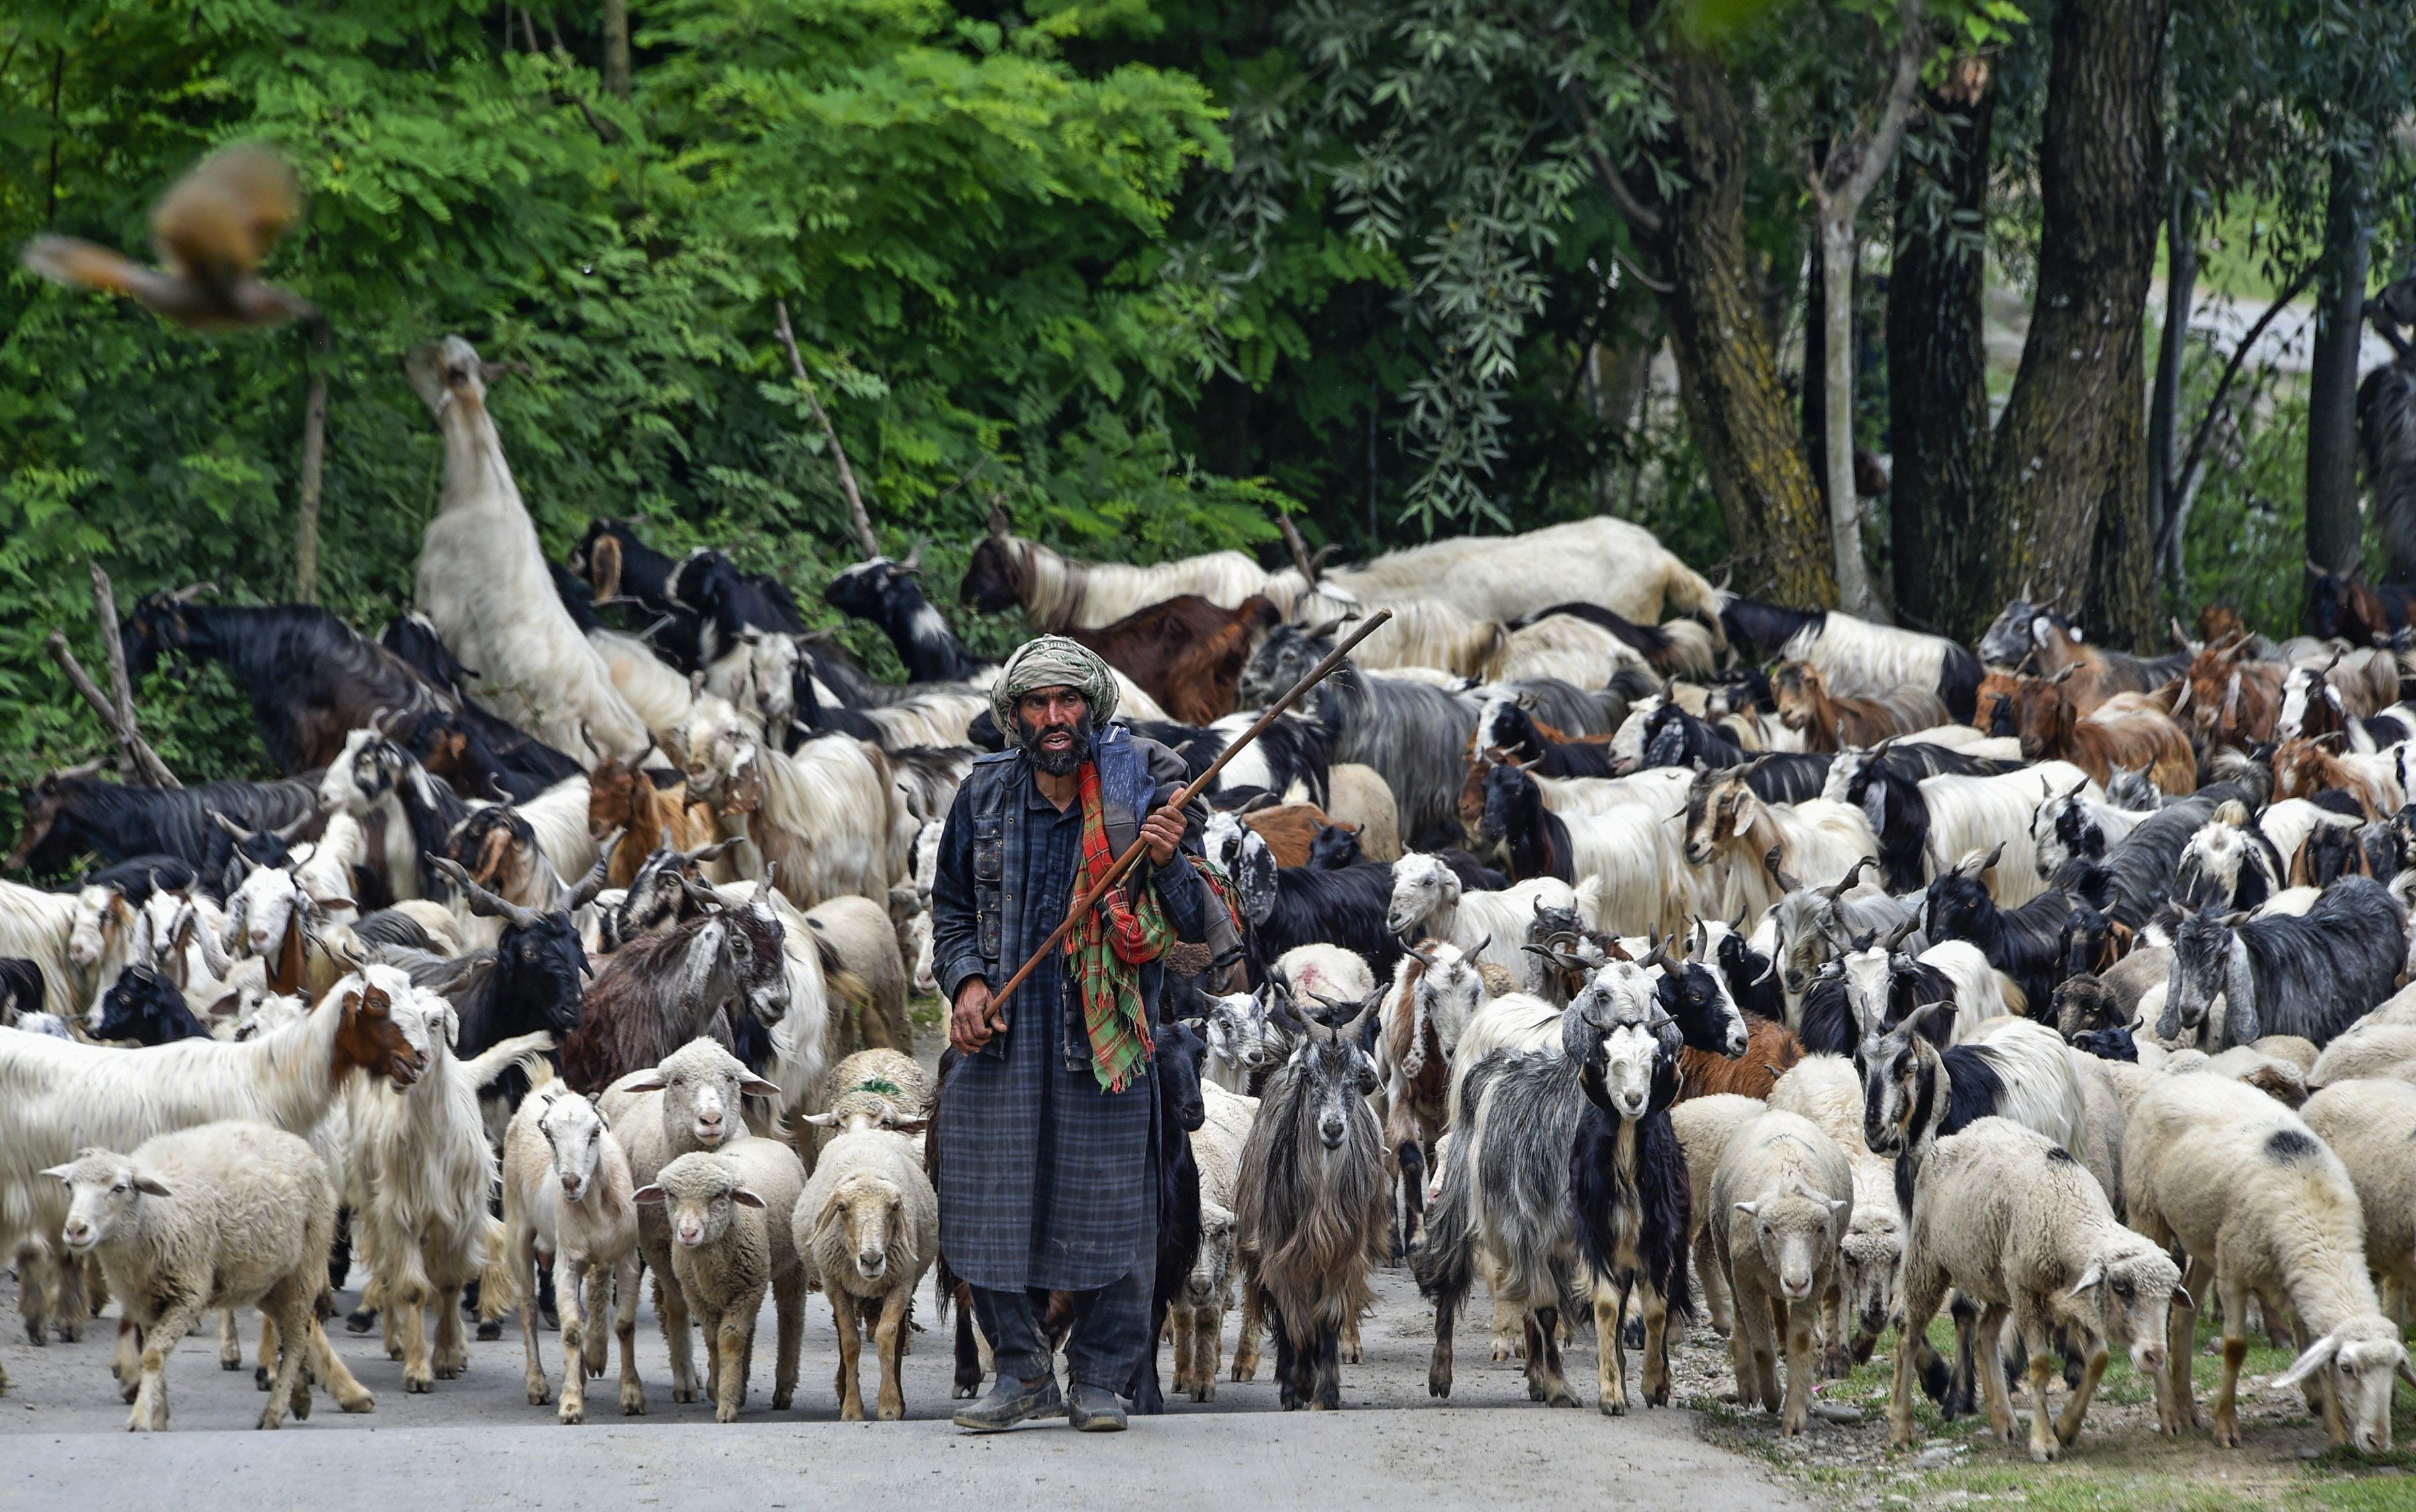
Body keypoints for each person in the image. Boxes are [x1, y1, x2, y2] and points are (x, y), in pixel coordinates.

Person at [931, 637, 1217, 1432]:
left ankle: (1097, 1379)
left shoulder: (1140, 791)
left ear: (1091, 708)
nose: (1055, 718)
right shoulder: (982, 797)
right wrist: (968, 983)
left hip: (1109, 1036)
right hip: (1004, 1038)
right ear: (1016, 716)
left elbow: (1195, 923)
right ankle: (1021, 1372)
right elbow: (951, 911)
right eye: (1038, 703)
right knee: (986, 1205)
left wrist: (1165, 863)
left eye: (1069, 702)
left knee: (1119, 1211)